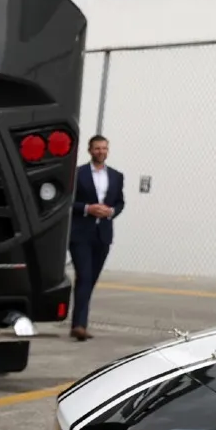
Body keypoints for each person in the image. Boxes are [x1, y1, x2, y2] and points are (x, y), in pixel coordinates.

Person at [68, 134, 124, 341]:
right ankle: (79, 325)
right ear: (90, 150)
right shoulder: (78, 174)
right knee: (84, 276)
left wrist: (110, 212)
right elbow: (68, 201)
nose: (101, 152)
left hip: (103, 235)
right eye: (97, 148)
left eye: (104, 148)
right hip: (81, 234)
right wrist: (87, 208)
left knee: (90, 279)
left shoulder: (117, 176)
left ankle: (79, 321)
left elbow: (120, 203)